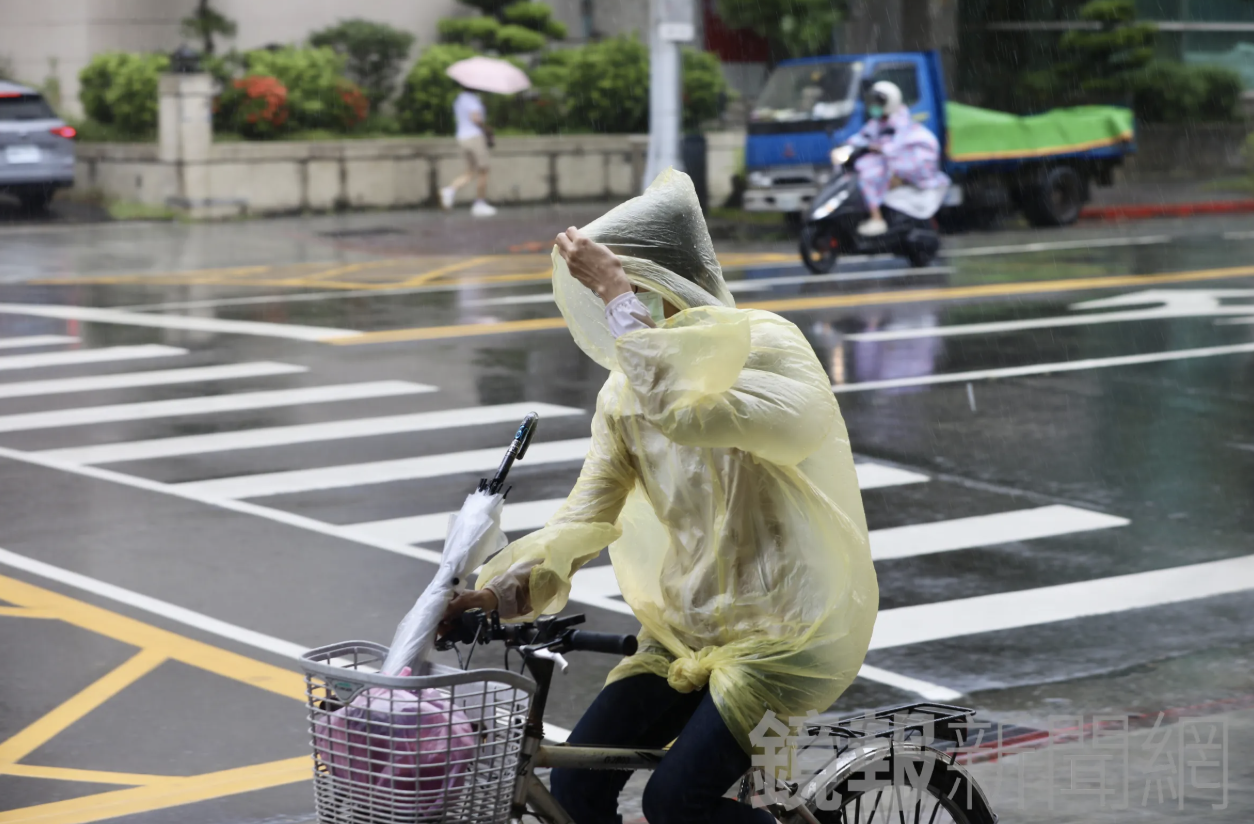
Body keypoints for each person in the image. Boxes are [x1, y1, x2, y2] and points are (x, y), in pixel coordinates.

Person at [444, 171, 878, 824]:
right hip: (686, 632)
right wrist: (497, 595)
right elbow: (584, 518)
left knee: (678, 801)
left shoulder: (769, 349)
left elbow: (687, 411)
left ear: (679, 289)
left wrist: (618, 293)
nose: (632, 317)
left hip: (789, 633)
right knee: (577, 791)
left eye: (643, 296)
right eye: (621, 300)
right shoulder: (625, 396)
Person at [845, 80, 949, 237]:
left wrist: (879, 148)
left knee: (867, 176)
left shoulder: (901, 121)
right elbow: (862, 137)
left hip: (904, 168)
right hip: (887, 163)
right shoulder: (877, 122)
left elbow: (896, 146)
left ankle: (876, 218)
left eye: (877, 102)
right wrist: (846, 146)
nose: (873, 106)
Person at [440, 85, 496, 217]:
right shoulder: (472, 100)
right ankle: (480, 203)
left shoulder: (459, 99)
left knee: (471, 171)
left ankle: (449, 190)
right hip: (474, 137)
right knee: (484, 170)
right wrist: (486, 128)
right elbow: (475, 118)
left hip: (462, 137)